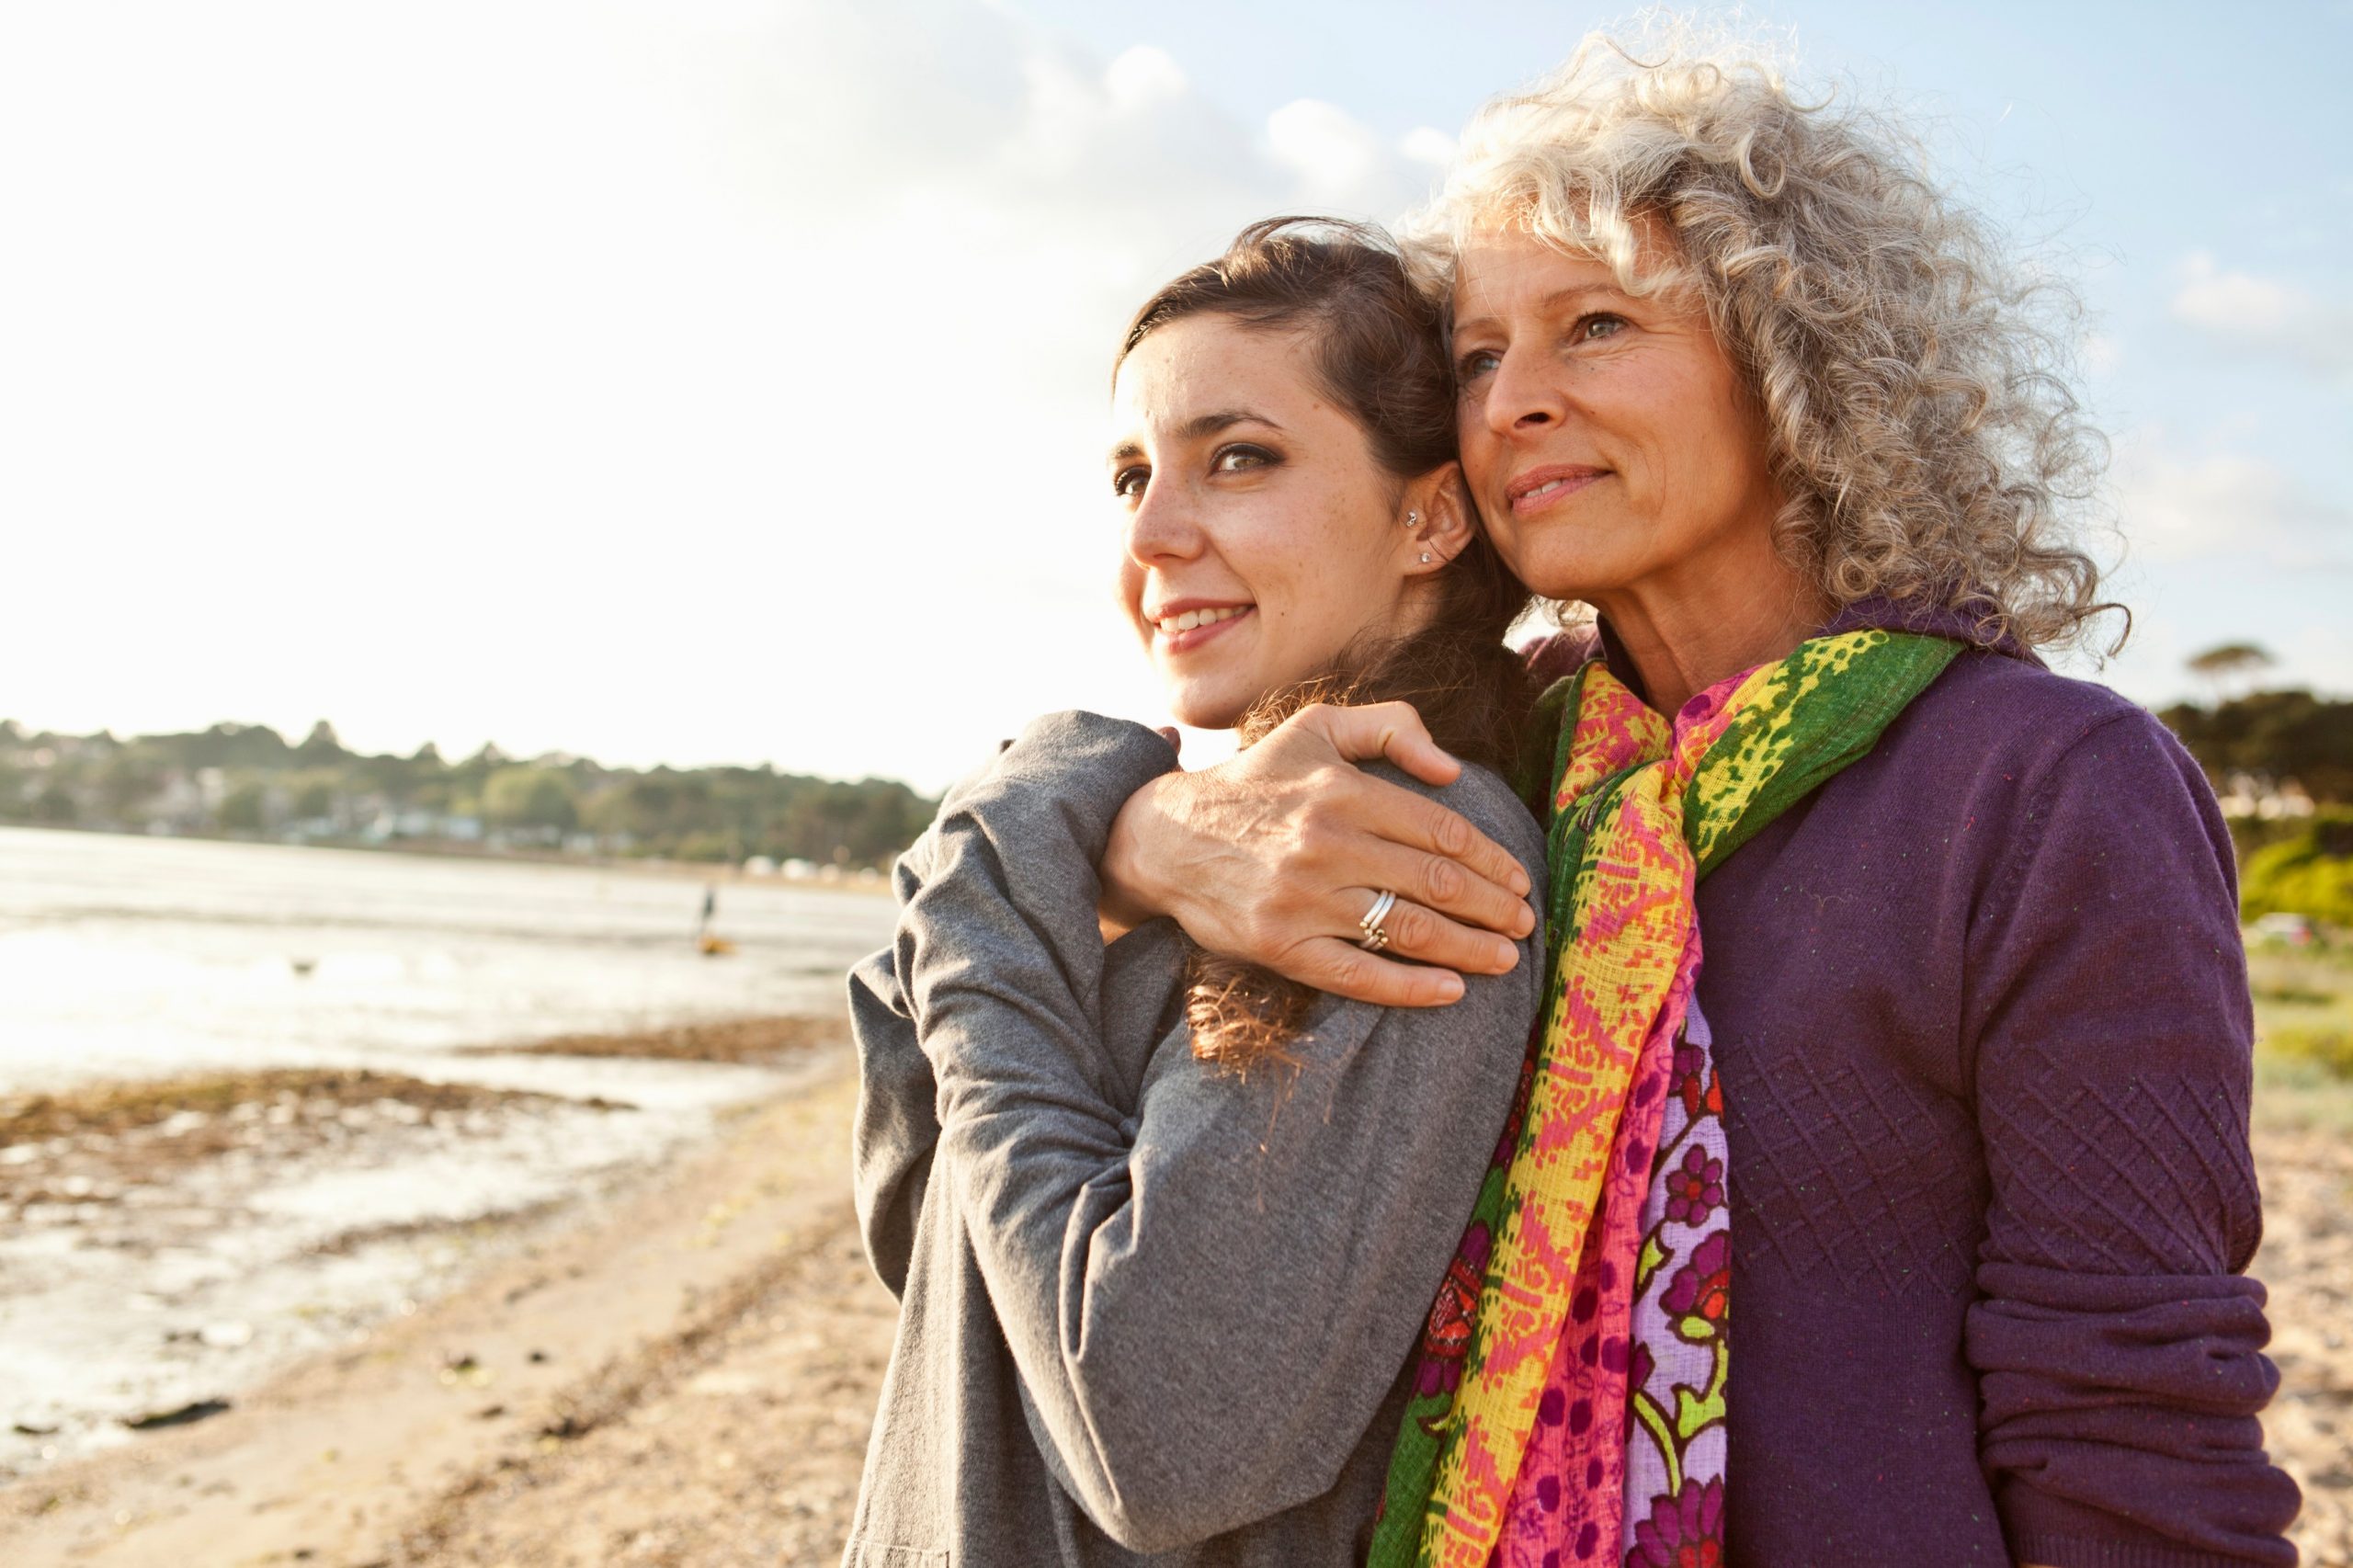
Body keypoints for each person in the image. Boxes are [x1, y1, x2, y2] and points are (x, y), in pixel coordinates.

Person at [1093, 30, 2302, 1568]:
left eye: (1593, 325)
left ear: (1798, 361)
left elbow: (2132, 1398)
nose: (1512, 403)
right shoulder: (1480, 763)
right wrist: (1146, 828)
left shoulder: (2046, 789)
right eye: (1477, 357)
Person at [841, 220, 1552, 1566]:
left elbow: (1152, 1434)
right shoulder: (1218, 848)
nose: (1156, 535)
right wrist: (1111, 842)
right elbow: (919, 1228)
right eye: (1129, 477)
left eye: (1240, 459)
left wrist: (1036, 818)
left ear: (1430, 513)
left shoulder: (1405, 843)